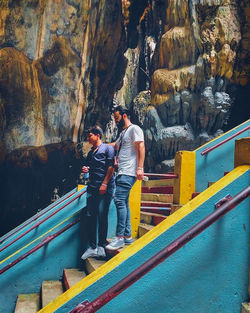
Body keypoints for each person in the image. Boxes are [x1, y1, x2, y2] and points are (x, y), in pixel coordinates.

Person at [106, 106, 145, 250]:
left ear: (124, 116)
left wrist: (140, 168)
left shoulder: (135, 129)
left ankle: (119, 237)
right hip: (122, 172)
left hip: (129, 172)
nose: (115, 121)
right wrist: (100, 144)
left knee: (119, 200)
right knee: (124, 202)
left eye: (116, 118)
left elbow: (141, 147)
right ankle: (128, 236)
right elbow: (115, 146)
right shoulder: (123, 133)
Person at [81, 126, 115, 259]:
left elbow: (111, 167)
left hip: (104, 187)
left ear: (97, 135)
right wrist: (86, 169)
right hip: (93, 187)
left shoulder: (108, 148)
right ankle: (92, 247)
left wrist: (105, 184)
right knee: (90, 215)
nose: (88, 138)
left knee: (102, 214)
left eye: (90, 136)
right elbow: (91, 166)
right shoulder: (91, 152)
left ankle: (101, 246)